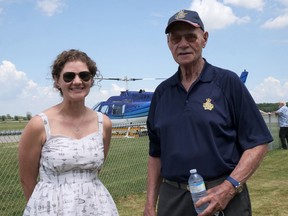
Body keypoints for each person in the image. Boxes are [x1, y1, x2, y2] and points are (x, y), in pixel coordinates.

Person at [143, 9, 273, 216]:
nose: (183, 44)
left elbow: (258, 143)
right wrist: (150, 204)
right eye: (175, 38)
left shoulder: (228, 83)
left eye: (190, 37)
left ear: (204, 39)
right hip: (173, 199)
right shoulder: (162, 93)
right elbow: (155, 154)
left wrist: (229, 187)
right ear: (169, 44)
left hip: (223, 195)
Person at [18, 49, 119, 216]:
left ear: (91, 80)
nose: (77, 81)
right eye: (69, 76)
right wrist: (41, 207)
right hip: (51, 209)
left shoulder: (104, 123)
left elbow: (95, 170)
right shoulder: (39, 125)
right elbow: (27, 180)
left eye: (84, 76)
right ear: (57, 80)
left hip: (97, 207)